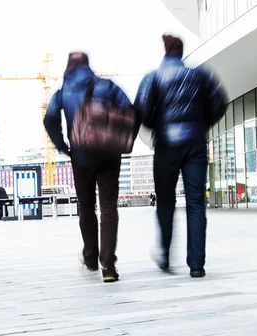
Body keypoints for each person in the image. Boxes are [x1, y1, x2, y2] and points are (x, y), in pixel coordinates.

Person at [135, 35, 227, 278]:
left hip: (166, 146)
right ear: (181, 51)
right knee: (196, 203)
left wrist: (159, 125)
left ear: (164, 51)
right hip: (195, 144)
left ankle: (165, 254)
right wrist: (200, 124)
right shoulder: (201, 75)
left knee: (165, 202)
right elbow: (220, 102)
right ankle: (196, 264)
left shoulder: (153, 77)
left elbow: (141, 111)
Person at [43, 52, 134, 283]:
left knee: (86, 207)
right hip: (109, 154)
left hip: (81, 156)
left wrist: (63, 145)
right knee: (109, 209)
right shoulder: (108, 86)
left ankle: (91, 258)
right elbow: (131, 111)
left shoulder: (63, 92)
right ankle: (109, 266)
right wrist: (120, 137)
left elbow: (50, 118)